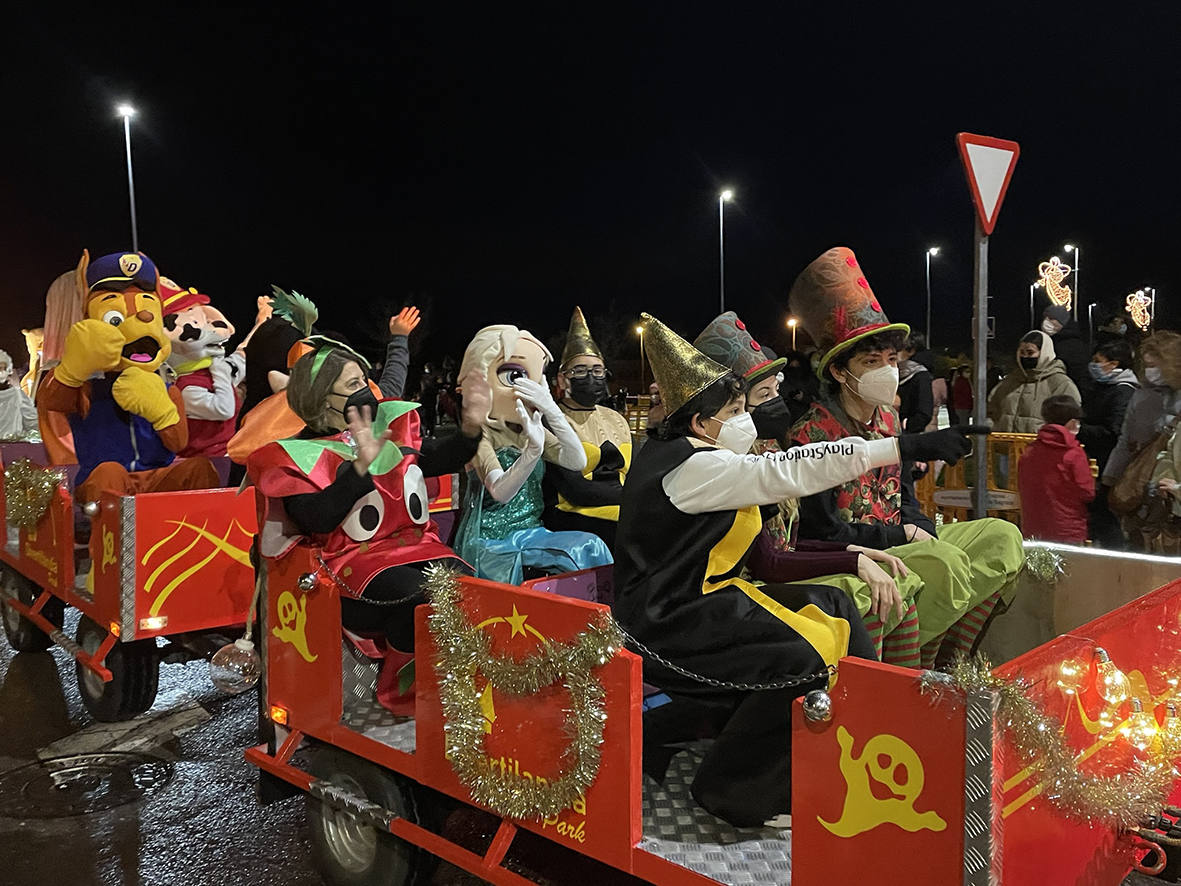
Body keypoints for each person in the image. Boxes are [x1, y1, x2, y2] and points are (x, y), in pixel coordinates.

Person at [614, 313, 972, 829]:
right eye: (737, 409)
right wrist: (903, 447)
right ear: (699, 422)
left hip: (709, 600)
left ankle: (867, 737)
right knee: (803, 655)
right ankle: (732, 790)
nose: (749, 418)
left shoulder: (704, 456)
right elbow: (794, 469)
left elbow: (776, 514)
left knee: (837, 607)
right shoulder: (694, 466)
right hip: (667, 617)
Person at [788, 247, 1026, 666]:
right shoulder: (810, 434)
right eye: (870, 361)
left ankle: (951, 654)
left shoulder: (889, 417)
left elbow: (906, 498)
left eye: (891, 360)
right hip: (861, 553)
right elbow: (821, 532)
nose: (887, 370)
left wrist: (916, 526)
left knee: (1000, 538)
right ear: (840, 372)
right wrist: (904, 538)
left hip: (903, 540)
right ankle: (918, 663)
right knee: (942, 561)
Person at [695, 311, 926, 666]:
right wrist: (855, 557)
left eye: (777, 391)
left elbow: (793, 537)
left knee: (898, 590)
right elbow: (768, 561)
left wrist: (859, 552)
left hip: (780, 569)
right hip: (735, 593)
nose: (777, 403)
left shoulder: (768, 449)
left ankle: (919, 691)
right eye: (761, 397)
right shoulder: (723, 464)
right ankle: (869, 704)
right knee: (865, 595)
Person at [248, 343, 491, 653]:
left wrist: (470, 429)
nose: (367, 389)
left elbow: (438, 458)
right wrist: (361, 467)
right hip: (352, 563)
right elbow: (317, 517)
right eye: (353, 384)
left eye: (364, 380)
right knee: (421, 596)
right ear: (322, 398)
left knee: (472, 587)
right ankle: (407, 683)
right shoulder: (297, 456)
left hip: (417, 548)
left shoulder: (389, 431)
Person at [35, 250, 218, 504]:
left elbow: (178, 443)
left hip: (158, 478)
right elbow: (52, 403)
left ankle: (198, 537)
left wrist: (163, 413)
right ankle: (112, 539)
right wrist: (70, 371)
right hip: (103, 482)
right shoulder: (87, 386)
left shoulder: (166, 389)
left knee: (200, 469)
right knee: (109, 473)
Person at [454, 325, 612, 584]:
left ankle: (598, 616)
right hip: (491, 540)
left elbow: (576, 460)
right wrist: (531, 453)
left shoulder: (527, 428)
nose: (528, 387)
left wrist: (551, 408)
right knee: (577, 551)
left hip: (531, 533)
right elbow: (500, 491)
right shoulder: (478, 435)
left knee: (591, 545)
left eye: (536, 378)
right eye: (514, 375)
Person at [543, 307, 632, 550]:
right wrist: (635, 497)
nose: (590, 377)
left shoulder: (616, 419)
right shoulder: (552, 421)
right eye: (580, 371)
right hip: (571, 510)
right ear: (563, 379)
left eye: (597, 370)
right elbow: (575, 490)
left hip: (621, 504)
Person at [1103, 331, 1181, 550]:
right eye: (1147, 364)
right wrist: (1111, 477)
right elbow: (1126, 439)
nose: (1151, 371)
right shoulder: (1142, 395)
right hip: (1143, 484)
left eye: (1155, 364)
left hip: (1171, 491)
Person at [1079, 338, 1138, 547]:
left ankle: (1117, 555)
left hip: (1110, 463)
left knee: (1107, 516)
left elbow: (1114, 431)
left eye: (1098, 360)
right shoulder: (1101, 388)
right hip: (1097, 460)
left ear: (1114, 364)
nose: (1093, 365)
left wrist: (1079, 430)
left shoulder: (1123, 391)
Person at [1017, 395, 1094, 544]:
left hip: (1033, 528)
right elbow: (1087, 491)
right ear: (1072, 422)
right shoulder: (1073, 453)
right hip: (1068, 530)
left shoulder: (1030, 450)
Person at [987, 331, 1081, 433]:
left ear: (1044, 353)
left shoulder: (1060, 383)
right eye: (1022, 352)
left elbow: (1069, 421)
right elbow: (991, 411)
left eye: (1030, 352)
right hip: (1007, 446)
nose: (1025, 357)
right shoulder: (1010, 381)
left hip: (1042, 446)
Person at [1041, 304, 1090, 393]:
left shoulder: (1073, 344)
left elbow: (1077, 374)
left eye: (1051, 318)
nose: (1046, 321)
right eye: (1045, 318)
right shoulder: (1050, 340)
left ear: (1062, 322)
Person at [896, 333, 934, 433]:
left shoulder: (921, 375)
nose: (894, 352)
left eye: (899, 348)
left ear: (911, 351)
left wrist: (907, 425)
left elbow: (925, 412)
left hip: (908, 437)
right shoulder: (895, 372)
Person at [0, 349, 37, 438]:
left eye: (3, 368)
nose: (1, 372)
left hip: (13, 445)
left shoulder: (16, 394)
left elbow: (31, 420)